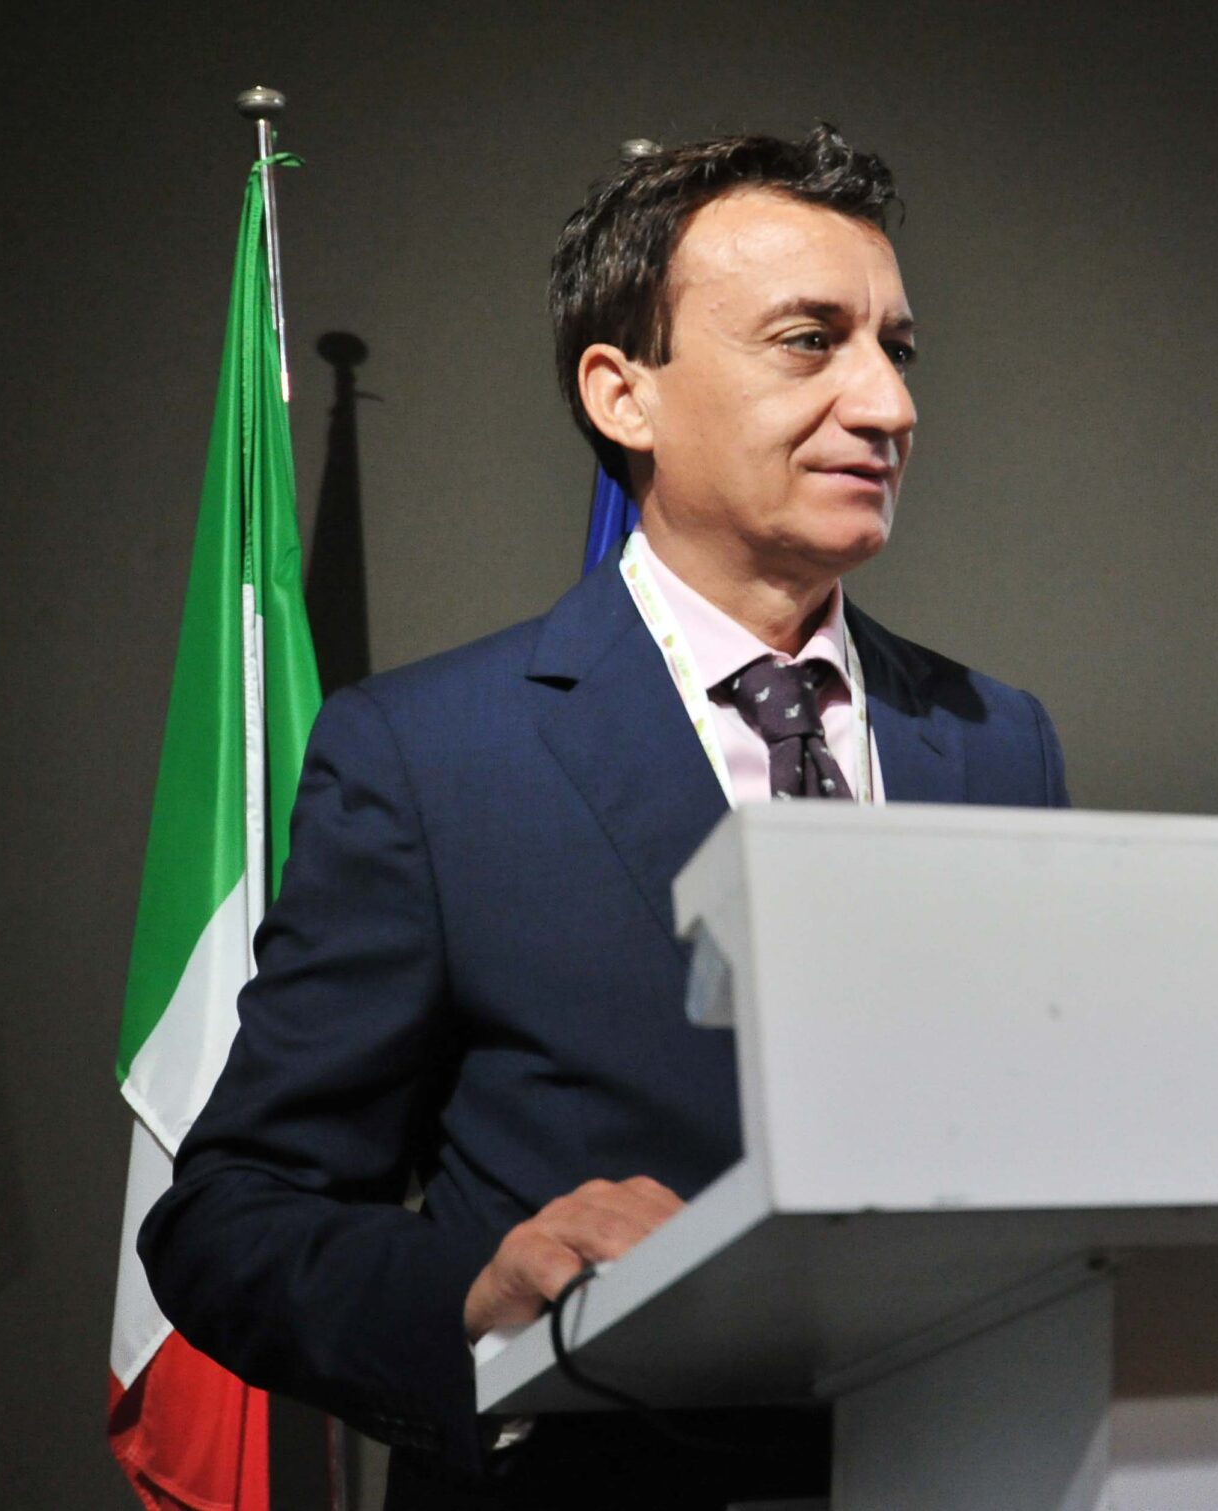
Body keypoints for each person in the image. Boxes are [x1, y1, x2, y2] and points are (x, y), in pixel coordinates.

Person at [139, 125, 1071, 1509]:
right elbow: (232, 1219)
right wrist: (479, 1285)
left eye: (898, 349)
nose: (887, 404)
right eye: (810, 342)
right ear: (623, 395)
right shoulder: (430, 756)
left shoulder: (999, 741)